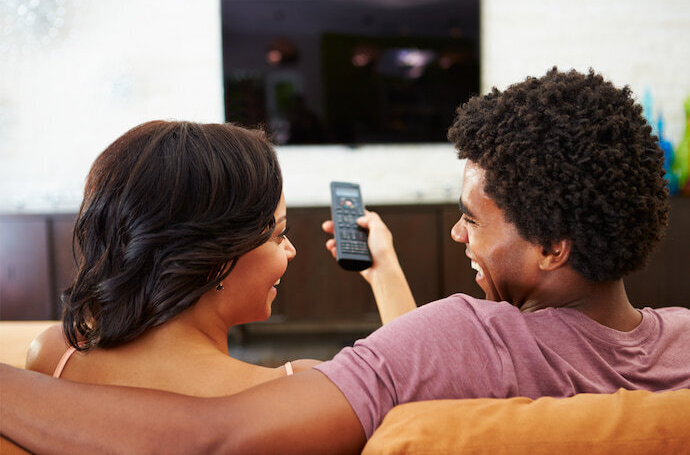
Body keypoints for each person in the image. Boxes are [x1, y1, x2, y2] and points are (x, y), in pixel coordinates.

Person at [2, 68, 689, 454]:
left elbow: (210, 440)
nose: (456, 235)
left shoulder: (465, 336)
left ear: (550, 249)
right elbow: (428, 359)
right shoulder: (681, 342)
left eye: (471, 220)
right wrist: (385, 268)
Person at [22, 120, 414, 397]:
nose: (291, 250)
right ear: (213, 257)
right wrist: (384, 270)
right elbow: (418, 391)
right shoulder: (300, 391)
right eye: (279, 235)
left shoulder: (57, 355)